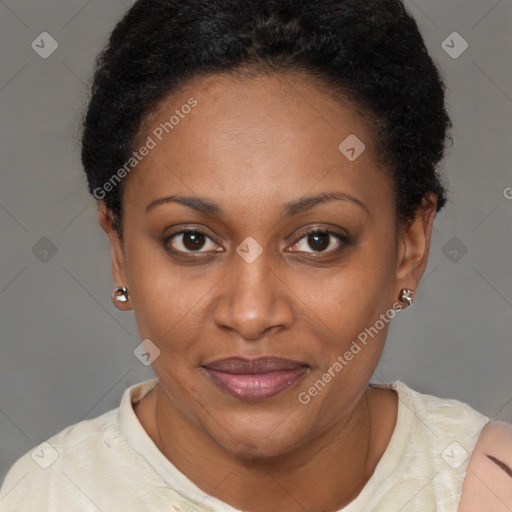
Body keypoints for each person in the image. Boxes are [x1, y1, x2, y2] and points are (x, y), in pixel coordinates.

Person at [1, 0, 511, 510]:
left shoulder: (493, 487)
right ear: (119, 250)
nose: (250, 314)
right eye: (192, 240)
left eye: (318, 240)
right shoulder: (48, 495)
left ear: (409, 247)